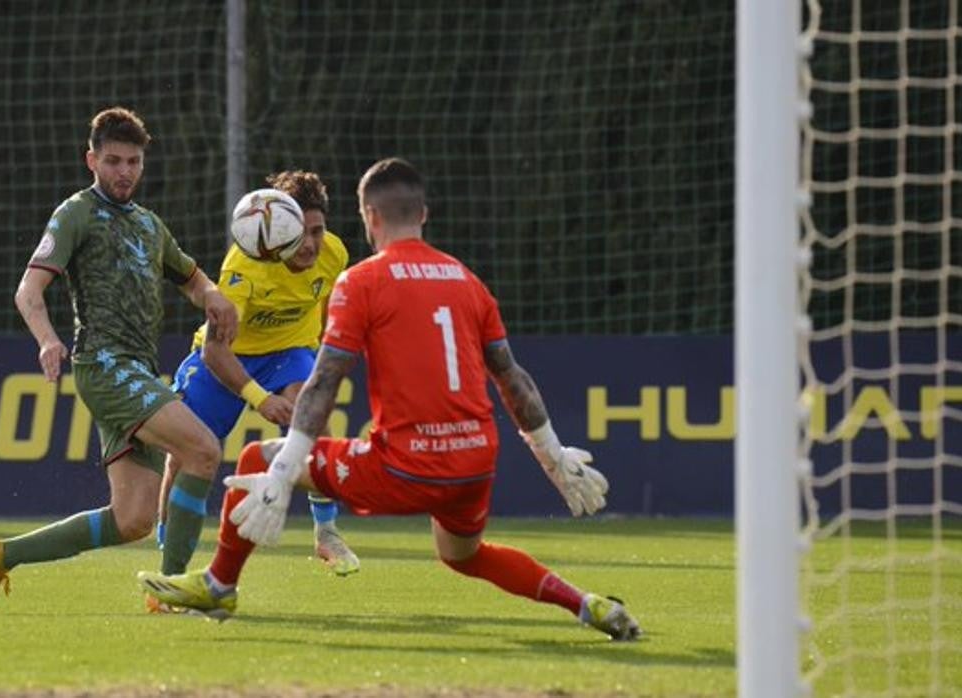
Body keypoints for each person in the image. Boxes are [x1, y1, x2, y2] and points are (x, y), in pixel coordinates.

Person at [138, 158, 641, 640]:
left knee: (256, 457)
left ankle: (220, 585)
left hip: (404, 464)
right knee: (463, 554)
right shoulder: (467, 281)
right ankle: (585, 603)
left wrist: (285, 469)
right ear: (423, 214)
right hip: (473, 463)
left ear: (369, 217)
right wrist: (554, 457)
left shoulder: (361, 279)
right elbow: (513, 377)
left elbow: (325, 380)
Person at [0, 106, 238, 614]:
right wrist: (47, 340)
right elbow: (29, 290)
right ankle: (174, 589)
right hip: (105, 366)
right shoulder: (76, 213)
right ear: (91, 160)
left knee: (132, 519)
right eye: (113, 161)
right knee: (202, 449)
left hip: (137, 370)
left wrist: (215, 295)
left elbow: (192, 279)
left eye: (133, 161)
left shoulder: (151, 226)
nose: (124, 172)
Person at [154, 170, 359, 590]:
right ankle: (168, 561)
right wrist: (259, 397)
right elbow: (215, 350)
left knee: (313, 411)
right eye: (299, 233)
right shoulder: (245, 267)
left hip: (288, 353)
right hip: (227, 358)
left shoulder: (334, 254)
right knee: (186, 455)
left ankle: (326, 532)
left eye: (317, 231)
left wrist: (321, 357)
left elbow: (325, 308)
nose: (310, 244)